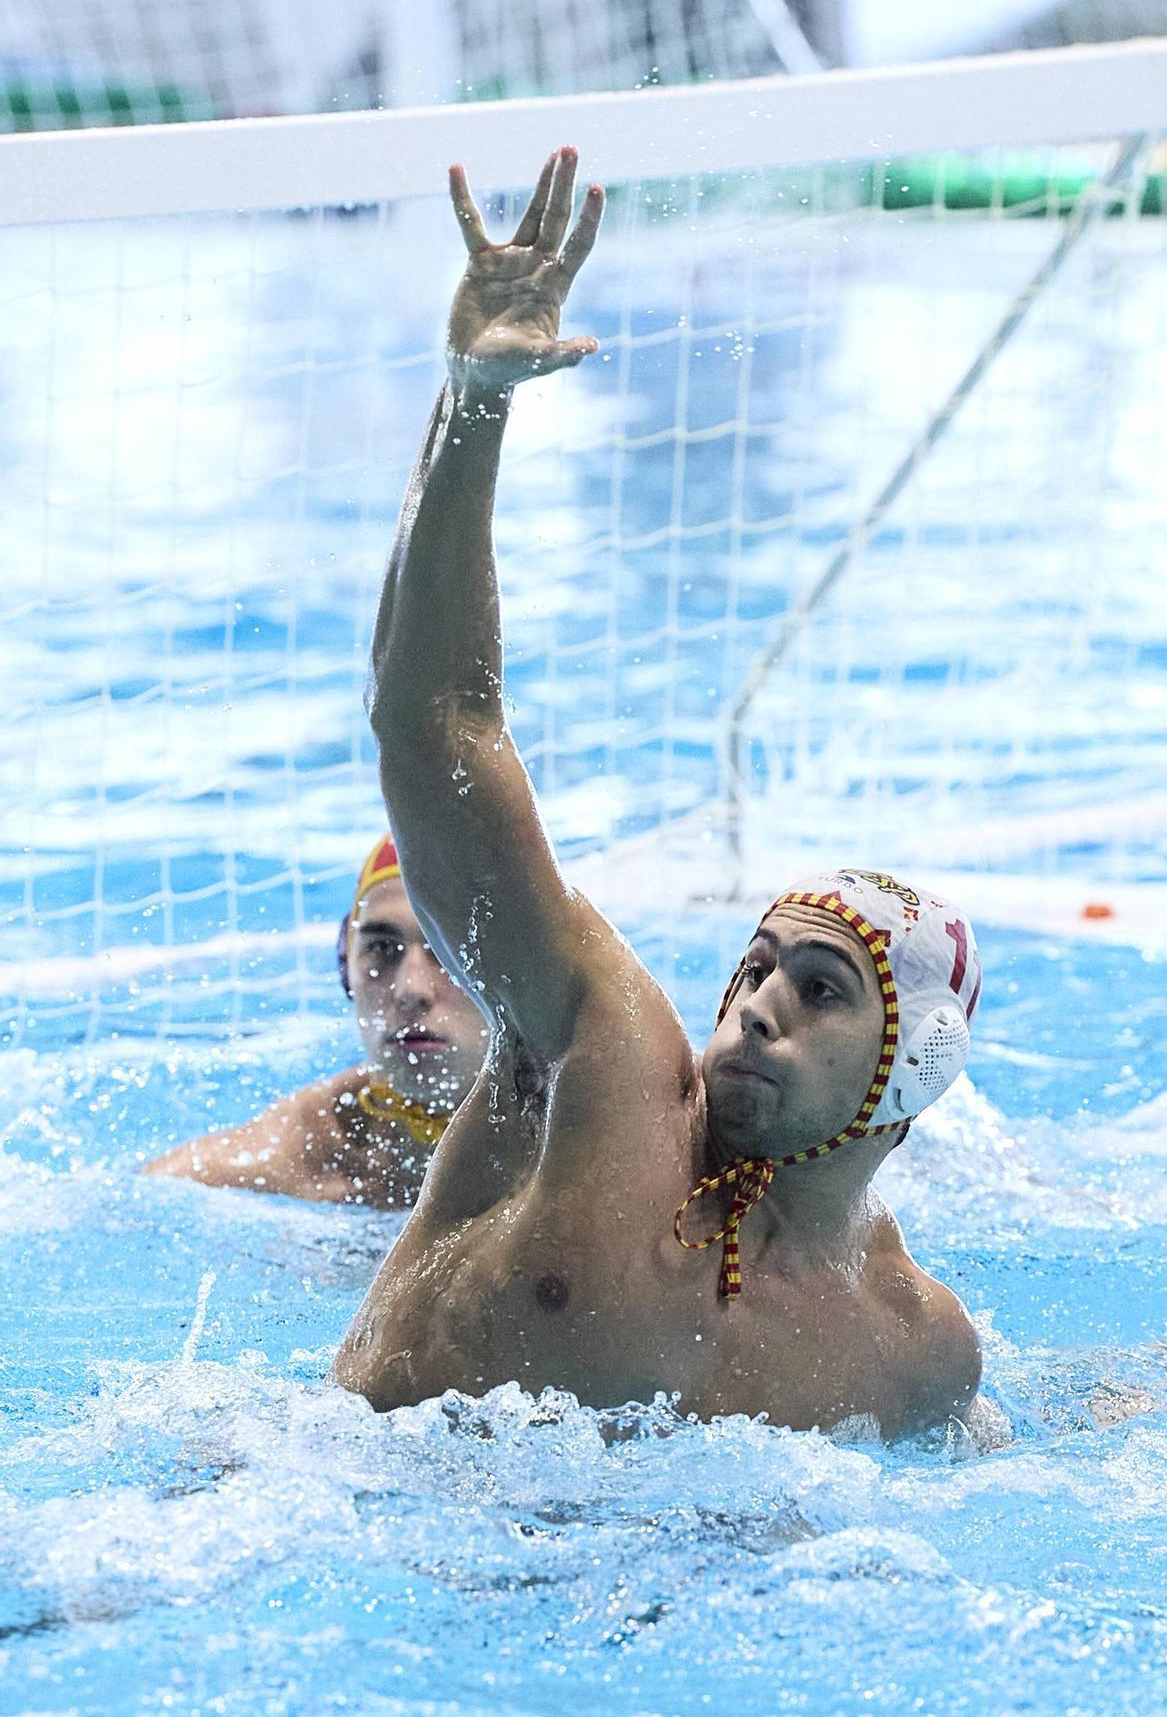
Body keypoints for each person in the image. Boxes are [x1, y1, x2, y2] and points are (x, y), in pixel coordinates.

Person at [332, 146, 985, 1437]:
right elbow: (432, 726)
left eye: (818, 989)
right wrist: (474, 403)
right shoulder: (607, 1063)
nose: (750, 1009)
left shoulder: (916, 1355)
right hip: (307, 1518)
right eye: (755, 969)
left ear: (916, 1067)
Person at [142, 836, 488, 1207]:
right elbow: (151, 1191)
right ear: (346, 967)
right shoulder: (288, 1159)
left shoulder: (556, 1141)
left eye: (451, 948)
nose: (410, 989)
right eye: (383, 949)